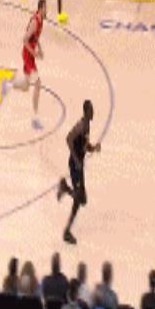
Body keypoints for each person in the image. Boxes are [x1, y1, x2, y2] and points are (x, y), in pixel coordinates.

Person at [57, 100, 101, 244]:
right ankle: (67, 232)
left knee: (82, 199)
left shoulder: (87, 126)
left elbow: (84, 145)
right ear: (86, 112)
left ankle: (65, 188)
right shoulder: (81, 125)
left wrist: (93, 148)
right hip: (75, 166)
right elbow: (68, 139)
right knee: (79, 199)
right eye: (91, 110)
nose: (93, 112)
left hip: (79, 166)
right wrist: (76, 159)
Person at [1, 0, 47, 131]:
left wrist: (40, 50)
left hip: (29, 55)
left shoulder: (41, 21)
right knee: (38, 84)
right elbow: (25, 40)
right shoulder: (35, 22)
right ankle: (35, 119)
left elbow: (35, 38)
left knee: (26, 86)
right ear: (40, 8)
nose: (47, 10)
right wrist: (34, 53)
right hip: (27, 55)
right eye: (45, 8)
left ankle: (8, 84)